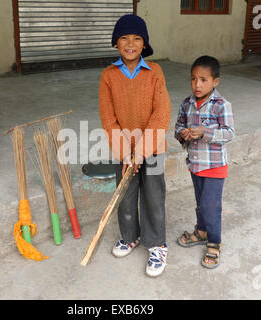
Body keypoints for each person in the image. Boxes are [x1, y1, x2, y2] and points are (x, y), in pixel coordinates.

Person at [99, 14, 171, 277]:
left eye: (137, 38)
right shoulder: (108, 75)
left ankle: (157, 244)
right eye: (124, 38)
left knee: (153, 197)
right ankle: (130, 236)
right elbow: (109, 118)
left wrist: (141, 151)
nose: (130, 43)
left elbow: (161, 113)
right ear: (116, 43)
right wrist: (127, 153)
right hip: (123, 152)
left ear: (144, 44)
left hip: (152, 150)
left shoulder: (155, 73)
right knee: (126, 197)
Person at [174, 55, 235, 269]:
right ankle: (201, 231)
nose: (197, 84)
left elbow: (229, 133)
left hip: (215, 165)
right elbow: (178, 127)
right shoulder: (187, 103)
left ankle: (214, 242)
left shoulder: (221, 105)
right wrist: (183, 133)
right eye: (193, 79)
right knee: (200, 203)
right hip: (196, 164)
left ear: (215, 81)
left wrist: (204, 132)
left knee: (211, 206)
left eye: (203, 79)